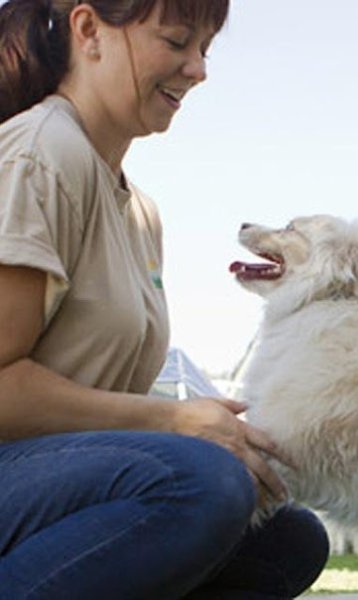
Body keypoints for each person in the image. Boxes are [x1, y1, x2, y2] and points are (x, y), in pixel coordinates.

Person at [0, 0, 329, 598]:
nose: (198, 68)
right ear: (89, 30)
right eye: (178, 41)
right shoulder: (41, 154)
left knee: (289, 538)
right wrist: (174, 420)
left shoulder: (141, 214)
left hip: (57, 486)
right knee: (202, 484)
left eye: (205, 48)